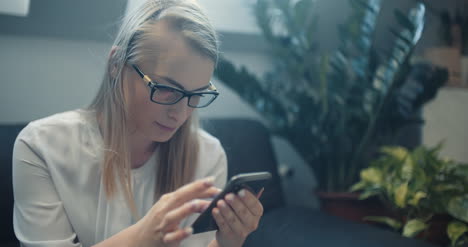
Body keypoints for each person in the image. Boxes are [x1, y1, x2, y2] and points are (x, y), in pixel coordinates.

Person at [12, 0, 264, 246]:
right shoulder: (41, 147)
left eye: (196, 94)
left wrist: (228, 241)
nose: (181, 114)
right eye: (166, 89)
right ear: (116, 65)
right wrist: (143, 235)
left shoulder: (208, 156)